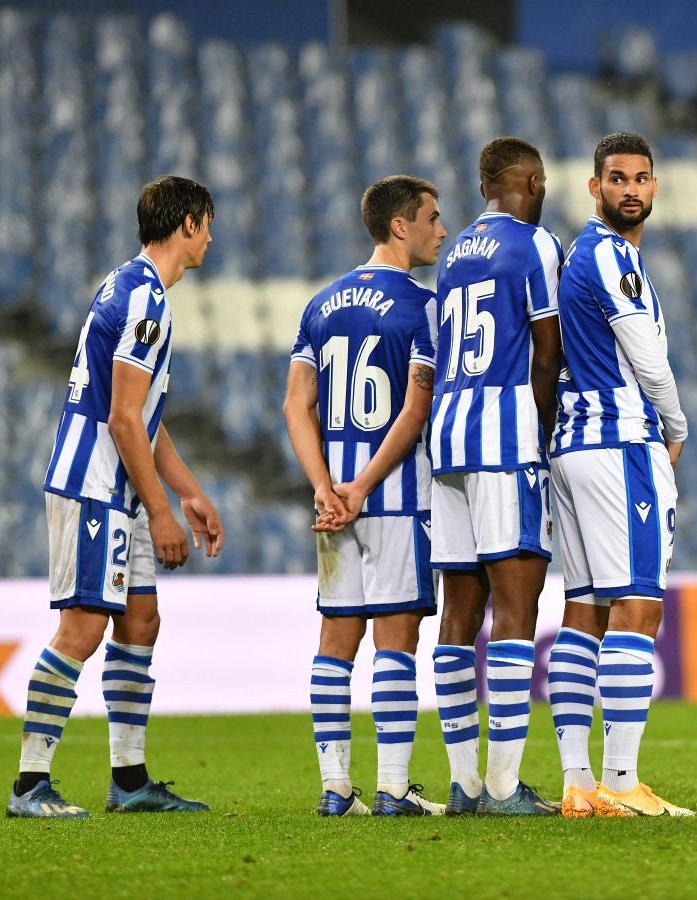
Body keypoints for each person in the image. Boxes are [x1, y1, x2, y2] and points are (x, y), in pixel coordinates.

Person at [8, 175, 223, 818]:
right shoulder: (145, 300)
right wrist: (162, 512)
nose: (211, 237)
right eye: (207, 224)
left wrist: (189, 492)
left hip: (119, 487)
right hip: (97, 486)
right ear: (188, 223)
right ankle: (29, 785)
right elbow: (124, 419)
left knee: (141, 621)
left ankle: (129, 781)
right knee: (83, 626)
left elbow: (142, 416)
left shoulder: (129, 286)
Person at [284, 176, 446, 818]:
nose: (441, 229)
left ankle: (335, 789)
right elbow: (415, 406)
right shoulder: (422, 305)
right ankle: (393, 789)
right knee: (396, 639)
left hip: (334, 501)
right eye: (432, 217)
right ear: (400, 225)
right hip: (394, 494)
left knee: (335, 639)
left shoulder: (319, 305)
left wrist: (325, 486)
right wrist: (364, 486)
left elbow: (296, 405)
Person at [546, 131, 692, 818]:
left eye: (641, 177)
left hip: (571, 448)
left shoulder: (581, 257)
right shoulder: (609, 257)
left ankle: (578, 784)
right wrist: (677, 424)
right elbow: (646, 357)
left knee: (585, 612)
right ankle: (623, 781)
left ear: (655, 186)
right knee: (639, 605)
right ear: (594, 186)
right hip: (617, 443)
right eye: (617, 178)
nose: (630, 189)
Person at [429, 136, 562, 816]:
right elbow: (547, 352)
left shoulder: (454, 256)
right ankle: (506, 787)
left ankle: (464, 783)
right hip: (503, 437)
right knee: (516, 606)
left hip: (446, 437)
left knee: (458, 612)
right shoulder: (534, 246)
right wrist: (540, 433)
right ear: (531, 182)